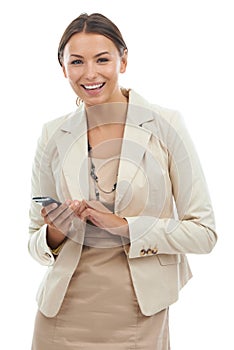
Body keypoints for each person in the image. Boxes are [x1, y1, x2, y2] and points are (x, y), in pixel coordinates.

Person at [28, 12, 217, 350]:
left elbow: (204, 234)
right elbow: (34, 241)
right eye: (76, 62)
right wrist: (56, 231)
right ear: (63, 68)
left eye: (102, 59)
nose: (90, 73)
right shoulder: (53, 134)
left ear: (123, 60)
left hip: (138, 315)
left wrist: (125, 226)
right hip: (61, 316)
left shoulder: (165, 125)